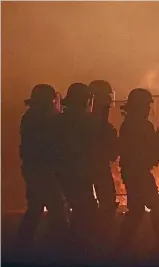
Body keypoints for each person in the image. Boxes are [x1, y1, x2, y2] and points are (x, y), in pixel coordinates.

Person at [116, 88, 159, 255]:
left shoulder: (129, 124)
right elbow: (153, 148)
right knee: (158, 207)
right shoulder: (139, 125)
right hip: (138, 173)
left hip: (132, 172)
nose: (148, 109)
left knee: (137, 211)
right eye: (146, 105)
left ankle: (121, 247)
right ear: (139, 106)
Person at [17, 84, 69, 255]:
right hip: (41, 170)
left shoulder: (31, 117)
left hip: (34, 169)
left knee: (35, 207)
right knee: (56, 208)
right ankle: (56, 246)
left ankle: (24, 245)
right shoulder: (39, 119)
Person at [54, 83, 99, 253]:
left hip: (64, 173)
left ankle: (71, 246)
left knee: (77, 208)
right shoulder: (85, 122)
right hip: (77, 173)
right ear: (86, 101)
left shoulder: (59, 120)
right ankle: (77, 248)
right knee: (85, 209)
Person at [89, 80, 119, 244]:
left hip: (91, 168)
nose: (109, 103)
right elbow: (111, 153)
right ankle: (101, 242)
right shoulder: (97, 125)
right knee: (104, 205)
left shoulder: (88, 122)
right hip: (96, 168)